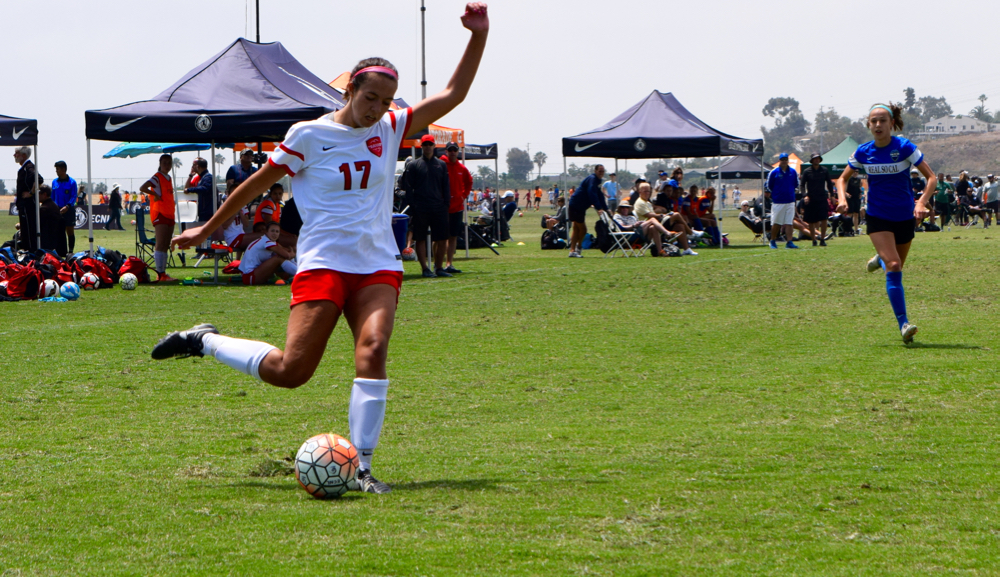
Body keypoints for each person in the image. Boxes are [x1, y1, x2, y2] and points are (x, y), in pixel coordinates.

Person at [152, 4, 489, 495]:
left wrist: (478, 35)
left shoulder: (392, 127)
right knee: (292, 372)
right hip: (324, 262)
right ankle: (203, 340)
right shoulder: (309, 135)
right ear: (350, 88)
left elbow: (454, 93)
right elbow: (254, 186)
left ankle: (364, 468)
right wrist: (207, 228)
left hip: (377, 263)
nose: (376, 108)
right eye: (369, 97)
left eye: (386, 100)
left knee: (372, 351)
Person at [836, 102, 936, 344]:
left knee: (896, 262)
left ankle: (878, 258)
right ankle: (904, 324)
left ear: (892, 123)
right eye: (873, 121)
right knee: (894, 265)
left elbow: (931, 178)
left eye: (882, 120)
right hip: (878, 216)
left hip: (904, 216)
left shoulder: (904, 147)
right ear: (869, 125)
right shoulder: (863, 151)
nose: (878, 125)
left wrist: (921, 202)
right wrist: (841, 197)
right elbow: (841, 178)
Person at [400, 134, 451, 277]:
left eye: (430, 144)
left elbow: (445, 186)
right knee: (420, 238)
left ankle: (439, 268)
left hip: (438, 207)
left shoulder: (441, 164)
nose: (428, 147)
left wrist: (446, 204)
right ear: (421, 146)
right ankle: (425, 269)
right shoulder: (414, 165)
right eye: (425, 144)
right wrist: (413, 204)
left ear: (434, 146)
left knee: (441, 239)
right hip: (420, 207)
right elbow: (408, 187)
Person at [138, 154, 177, 282]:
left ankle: (163, 273)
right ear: (160, 164)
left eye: (169, 162)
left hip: (170, 213)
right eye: (164, 162)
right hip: (160, 213)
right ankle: (160, 274)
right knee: (160, 244)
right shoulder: (157, 177)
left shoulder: (169, 178)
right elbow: (143, 187)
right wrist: (154, 194)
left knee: (166, 244)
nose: (167, 165)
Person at [634, 182, 693, 255]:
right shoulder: (640, 202)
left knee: (679, 226)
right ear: (640, 191)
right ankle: (691, 232)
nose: (647, 193)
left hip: (654, 226)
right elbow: (649, 215)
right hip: (647, 228)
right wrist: (661, 215)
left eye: (649, 191)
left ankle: (686, 249)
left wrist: (662, 213)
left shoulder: (647, 202)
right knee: (676, 215)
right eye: (645, 191)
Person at [440, 141, 472, 274]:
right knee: (440, 237)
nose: (453, 152)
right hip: (442, 207)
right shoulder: (441, 165)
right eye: (450, 150)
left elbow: (469, 182)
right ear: (446, 151)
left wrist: (463, 196)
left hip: (457, 207)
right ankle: (438, 264)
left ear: (458, 151)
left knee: (453, 236)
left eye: (455, 150)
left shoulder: (462, 168)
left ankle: (449, 263)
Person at [567, 164, 608, 257]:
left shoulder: (598, 181)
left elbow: (600, 195)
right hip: (576, 205)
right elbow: (592, 193)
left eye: (603, 171)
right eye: (600, 171)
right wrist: (598, 207)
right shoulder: (592, 179)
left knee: (576, 229)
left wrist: (606, 208)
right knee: (583, 229)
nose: (601, 173)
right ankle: (578, 247)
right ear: (595, 171)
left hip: (581, 207)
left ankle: (573, 251)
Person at [800, 152, 835, 246]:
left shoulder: (824, 170)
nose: (817, 160)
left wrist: (832, 195)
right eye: (815, 158)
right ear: (811, 160)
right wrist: (805, 196)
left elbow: (829, 183)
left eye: (818, 158)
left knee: (823, 219)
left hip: (822, 198)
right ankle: (814, 239)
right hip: (811, 198)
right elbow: (802, 185)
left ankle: (822, 239)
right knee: (811, 221)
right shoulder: (807, 171)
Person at [766, 153, 800, 249]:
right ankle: (772, 241)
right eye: (782, 159)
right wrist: (777, 194)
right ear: (779, 161)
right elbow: (769, 186)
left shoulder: (793, 172)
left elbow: (796, 184)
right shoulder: (774, 172)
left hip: (790, 201)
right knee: (776, 222)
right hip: (778, 202)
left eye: (786, 159)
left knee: (789, 222)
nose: (784, 161)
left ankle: (789, 242)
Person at [14, 146, 42, 251]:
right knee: (24, 231)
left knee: (28, 231)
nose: (14, 155)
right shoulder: (23, 168)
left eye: (16, 153)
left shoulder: (29, 167)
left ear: (24, 155)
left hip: (28, 205)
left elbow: (38, 179)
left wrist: (31, 193)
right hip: (23, 206)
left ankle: (31, 253)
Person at [50, 160, 78, 253]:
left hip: (68, 209)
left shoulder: (72, 182)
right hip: (57, 210)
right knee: (58, 231)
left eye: (57, 169)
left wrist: (68, 206)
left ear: (63, 169)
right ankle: (60, 252)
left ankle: (70, 251)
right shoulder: (54, 182)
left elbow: (74, 196)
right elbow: (52, 196)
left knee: (70, 231)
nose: (56, 171)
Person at [37, 185, 67, 257]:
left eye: (38, 193)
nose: (36, 195)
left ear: (44, 194)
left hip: (48, 244)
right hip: (57, 243)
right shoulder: (53, 205)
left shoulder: (44, 208)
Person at [186, 158, 215, 222]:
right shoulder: (202, 177)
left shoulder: (208, 177)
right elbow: (186, 187)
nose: (192, 167)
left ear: (197, 166)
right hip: (203, 212)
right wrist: (190, 175)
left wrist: (190, 190)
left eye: (193, 165)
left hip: (208, 213)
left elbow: (204, 188)